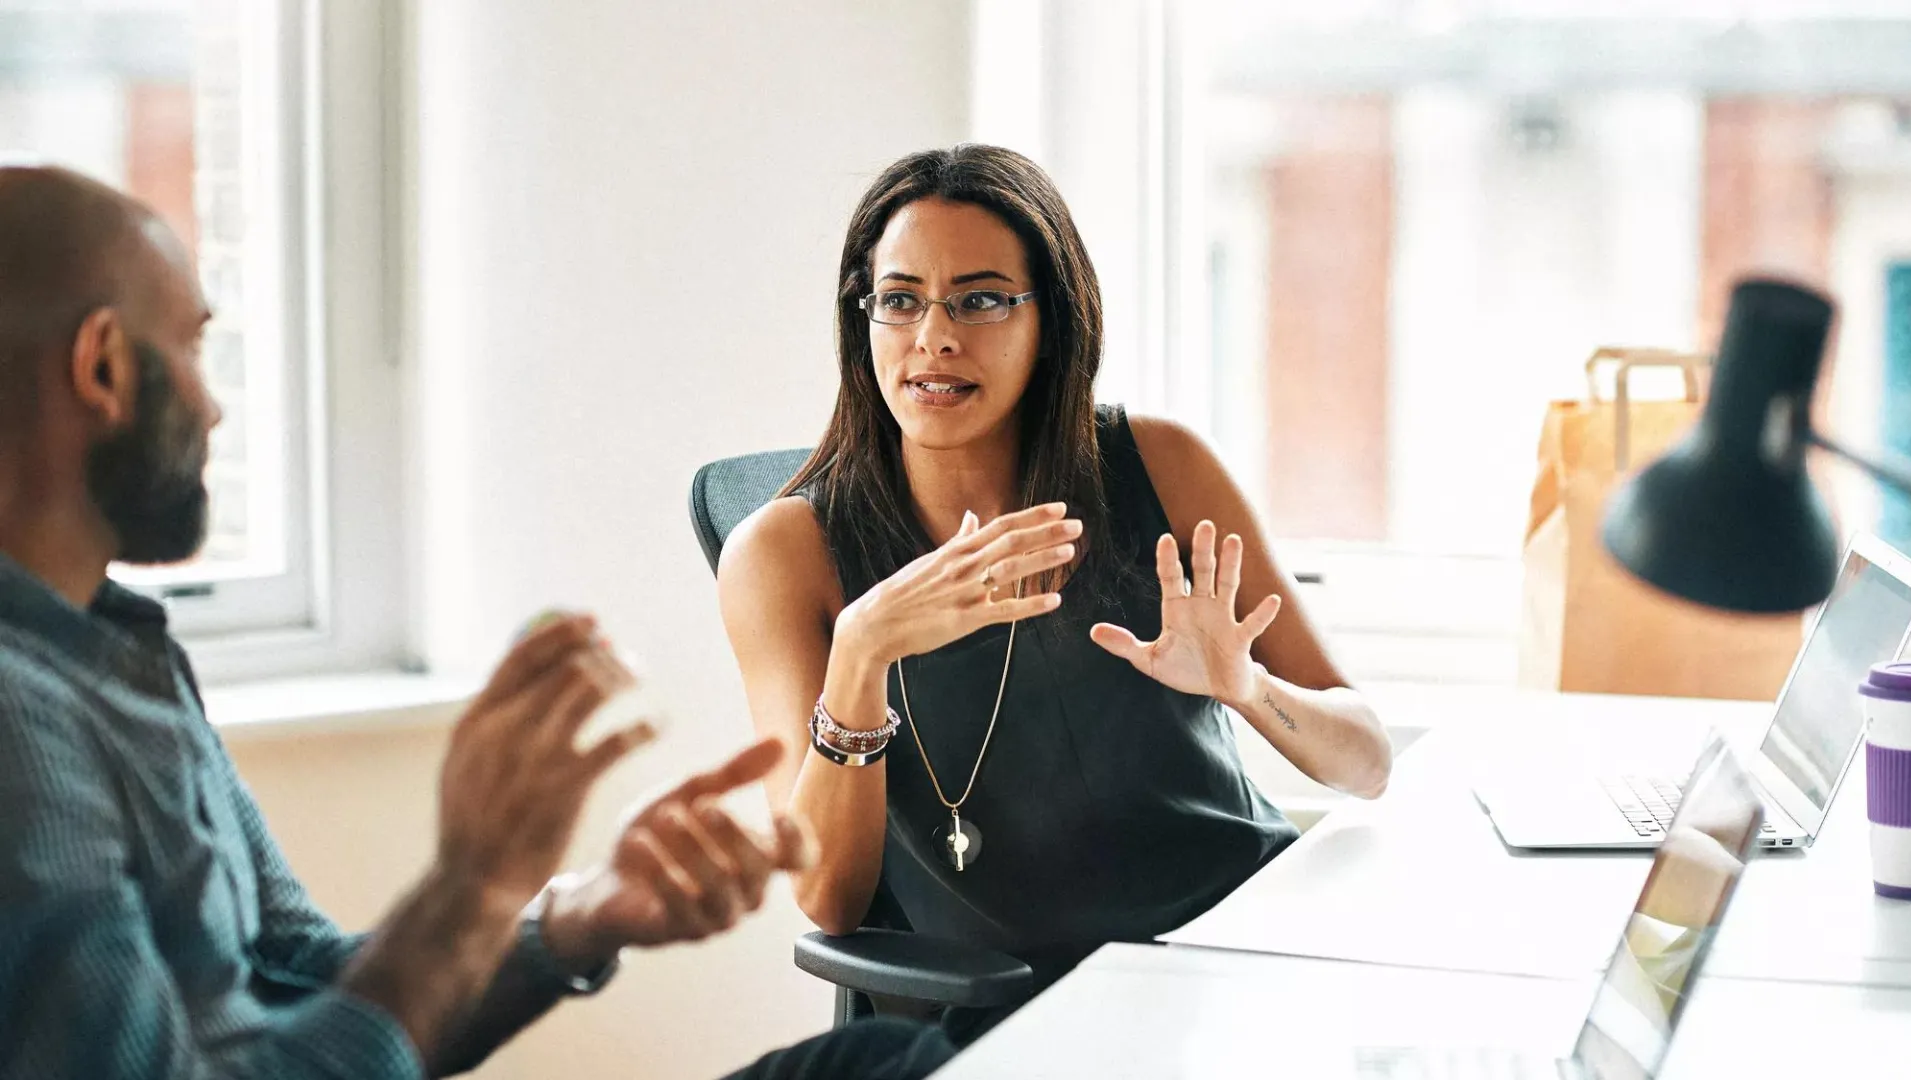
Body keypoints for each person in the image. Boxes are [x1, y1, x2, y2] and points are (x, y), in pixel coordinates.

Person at [0, 166, 953, 1079]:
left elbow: (309, 983)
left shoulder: (123, 650)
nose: (212, 410)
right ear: (104, 366)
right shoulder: (19, 721)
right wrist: (474, 880)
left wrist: (580, 915)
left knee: (893, 1061)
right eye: (194, 347)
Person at [719, 144, 1395, 1042]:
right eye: (900, 299)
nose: (935, 337)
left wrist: (1250, 692)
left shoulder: (1163, 465)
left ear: (1054, 319)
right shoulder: (784, 553)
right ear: (864, 318)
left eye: (983, 298)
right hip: (1031, 1017)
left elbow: (1368, 763)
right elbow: (829, 901)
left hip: (1245, 961)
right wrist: (861, 653)